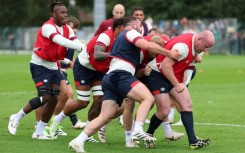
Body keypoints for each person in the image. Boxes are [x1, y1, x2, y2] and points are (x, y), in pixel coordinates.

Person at [68, 16, 181, 152]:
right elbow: (148, 45)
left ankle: (78, 140)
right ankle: (137, 130)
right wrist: (169, 53)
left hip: (110, 78)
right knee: (148, 98)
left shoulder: (122, 39)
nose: (141, 27)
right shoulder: (130, 32)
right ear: (133, 25)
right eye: (139, 25)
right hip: (120, 75)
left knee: (105, 116)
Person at [7, 1, 85, 140]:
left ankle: (39, 132)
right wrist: (82, 48)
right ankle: (16, 117)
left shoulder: (66, 28)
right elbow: (62, 41)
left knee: (54, 98)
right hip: (39, 65)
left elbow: (74, 40)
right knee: (45, 97)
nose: (65, 15)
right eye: (62, 12)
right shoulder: (47, 27)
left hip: (53, 65)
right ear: (53, 14)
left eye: (66, 12)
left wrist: (85, 48)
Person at [49, 18, 125, 141]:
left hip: (99, 71)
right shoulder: (106, 36)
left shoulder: (122, 40)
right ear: (117, 29)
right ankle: (56, 120)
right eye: (125, 29)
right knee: (83, 102)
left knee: (99, 100)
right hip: (84, 68)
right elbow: (98, 55)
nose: (127, 32)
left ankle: (87, 131)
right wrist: (114, 54)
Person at [145, 30, 215, 149]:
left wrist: (184, 83)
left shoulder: (197, 48)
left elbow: (191, 66)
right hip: (157, 74)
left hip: (172, 75)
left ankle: (193, 142)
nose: (206, 50)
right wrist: (177, 85)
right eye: (206, 46)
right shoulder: (183, 47)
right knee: (164, 110)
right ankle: (148, 134)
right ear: (199, 39)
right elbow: (165, 66)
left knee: (187, 104)